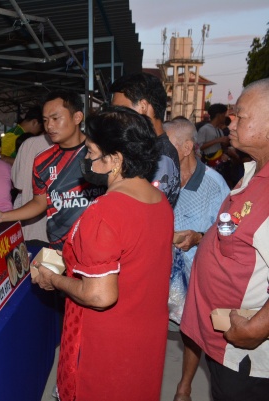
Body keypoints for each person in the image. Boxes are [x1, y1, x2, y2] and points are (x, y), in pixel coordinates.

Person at [33, 106, 174, 401]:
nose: (85, 160)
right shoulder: (158, 200)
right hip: (145, 334)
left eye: (91, 152)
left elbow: (100, 296)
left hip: (106, 343)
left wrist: (54, 279)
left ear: (116, 160)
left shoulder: (105, 212)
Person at [179, 78, 269, 401]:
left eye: (240, 115)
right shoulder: (252, 173)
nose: (229, 120)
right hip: (222, 342)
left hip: (244, 357)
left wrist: (256, 329)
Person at [0, 90, 104, 250]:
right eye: (45, 120)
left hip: (98, 247)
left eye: (55, 118)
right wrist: (3, 216)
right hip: (61, 251)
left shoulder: (101, 153)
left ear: (77, 117)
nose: (49, 126)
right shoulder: (42, 160)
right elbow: (39, 202)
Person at [165, 117, 230, 324]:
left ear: (186, 148)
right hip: (162, 278)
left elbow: (228, 232)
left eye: (167, 146)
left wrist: (199, 238)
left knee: (192, 335)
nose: (161, 152)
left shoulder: (214, 185)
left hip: (198, 282)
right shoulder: (161, 179)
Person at [110, 72, 181, 207]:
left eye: (120, 110)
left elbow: (141, 208)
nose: (116, 117)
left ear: (143, 106)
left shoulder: (162, 156)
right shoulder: (148, 148)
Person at [11, 128, 53, 243]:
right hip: (59, 230)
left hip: (31, 224)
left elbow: (17, 183)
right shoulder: (74, 145)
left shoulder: (29, 144)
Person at [196, 103, 230, 167]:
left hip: (218, 162)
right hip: (208, 163)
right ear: (218, 115)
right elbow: (199, 147)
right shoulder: (205, 129)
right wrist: (217, 140)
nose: (225, 117)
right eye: (224, 114)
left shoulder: (219, 130)